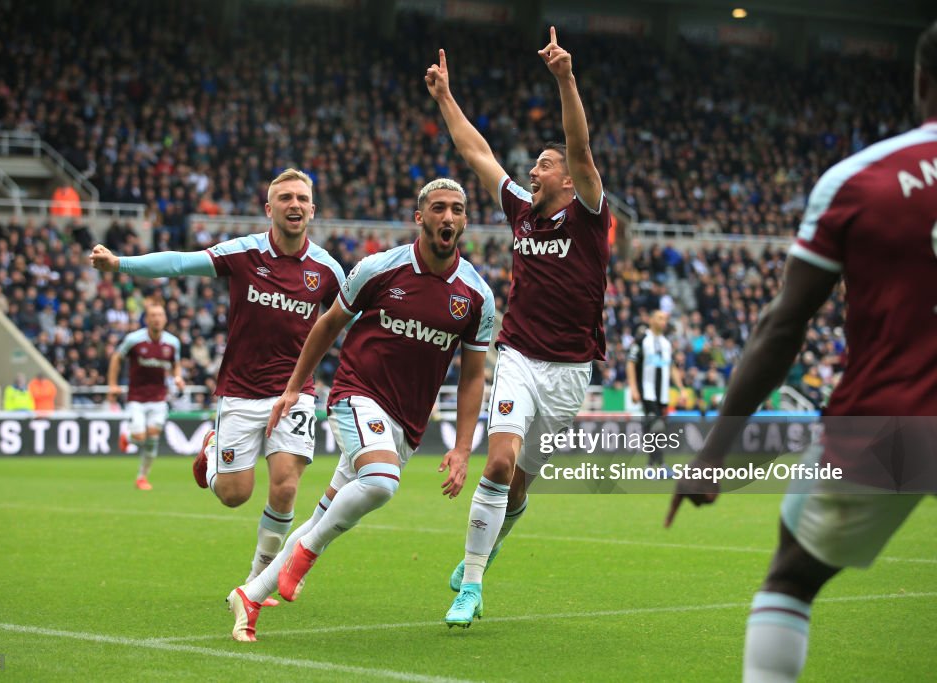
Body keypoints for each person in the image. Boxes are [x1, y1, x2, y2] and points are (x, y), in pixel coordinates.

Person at [666, 21, 937, 682]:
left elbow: (784, 327)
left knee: (792, 574)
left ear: (921, 81)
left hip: (895, 417)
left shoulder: (861, 181)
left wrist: (714, 452)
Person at [224, 178, 495, 642]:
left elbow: (472, 377)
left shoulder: (476, 296)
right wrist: (292, 388)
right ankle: (306, 556)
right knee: (382, 483)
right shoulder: (379, 268)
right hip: (356, 395)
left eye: (457, 210)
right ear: (420, 217)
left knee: (324, 513)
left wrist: (464, 447)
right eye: (438, 209)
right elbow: (328, 325)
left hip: (407, 423)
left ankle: (250, 594)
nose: (448, 218)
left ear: (465, 220)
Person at [426, 27, 613, 626]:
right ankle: (472, 585)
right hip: (519, 357)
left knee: (521, 486)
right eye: (534, 163)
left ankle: (491, 544)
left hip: (570, 371)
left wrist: (565, 78)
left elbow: (580, 151)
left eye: (544, 163)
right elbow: (477, 154)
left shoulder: (587, 214)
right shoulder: (521, 214)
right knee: (499, 464)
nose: (533, 169)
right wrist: (446, 100)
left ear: (567, 179)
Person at [90, 169, 345, 592]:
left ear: (313, 209)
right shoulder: (244, 253)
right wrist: (120, 264)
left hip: (294, 393)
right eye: (285, 198)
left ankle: (259, 577)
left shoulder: (327, 270)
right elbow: (178, 262)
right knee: (234, 495)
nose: (294, 204)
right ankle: (211, 451)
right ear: (269, 209)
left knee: (285, 488)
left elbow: (352, 319)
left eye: (302, 198)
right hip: (241, 394)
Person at [106, 304, 184, 490]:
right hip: (136, 397)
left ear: (165, 319)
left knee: (153, 438)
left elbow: (176, 363)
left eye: (160, 315)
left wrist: (178, 377)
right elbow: (116, 357)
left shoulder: (172, 343)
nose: (157, 318)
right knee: (140, 437)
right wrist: (112, 384)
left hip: (158, 398)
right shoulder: (134, 339)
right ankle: (128, 437)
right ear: (147, 319)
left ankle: (142, 477)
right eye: (153, 315)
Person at [627, 310, 684, 472]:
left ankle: (657, 463)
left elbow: (671, 367)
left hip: (663, 394)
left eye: (665, 319)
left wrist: (681, 389)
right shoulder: (642, 340)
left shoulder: (666, 343)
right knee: (655, 425)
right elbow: (630, 363)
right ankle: (654, 464)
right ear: (651, 320)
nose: (663, 321)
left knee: (660, 428)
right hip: (647, 391)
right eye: (659, 318)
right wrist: (633, 388)